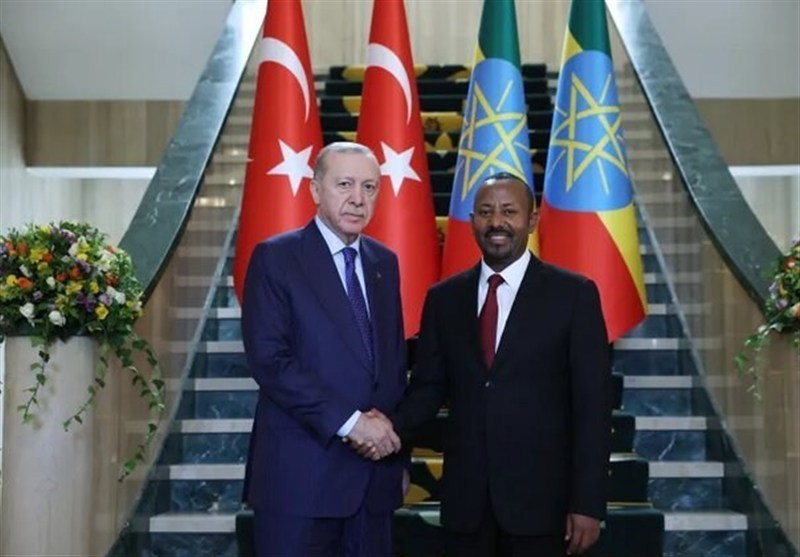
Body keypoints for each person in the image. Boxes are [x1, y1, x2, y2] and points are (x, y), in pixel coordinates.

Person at [381, 173, 612, 557]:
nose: (496, 222)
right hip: (466, 505)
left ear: (532, 220)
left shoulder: (573, 295)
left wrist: (588, 503)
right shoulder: (444, 299)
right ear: (472, 221)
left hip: (543, 507)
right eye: (486, 212)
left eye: (509, 211)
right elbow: (427, 389)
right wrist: (387, 431)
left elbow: (593, 408)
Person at [241, 142, 407, 557]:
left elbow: (391, 366)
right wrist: (352, 424)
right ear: (316, 190)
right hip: (301, 481)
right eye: (344, 184)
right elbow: (271, 361)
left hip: (373, 484)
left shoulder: (384, 262)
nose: (358, 198)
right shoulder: (276, 257)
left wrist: (396, 457)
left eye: (369, 187)